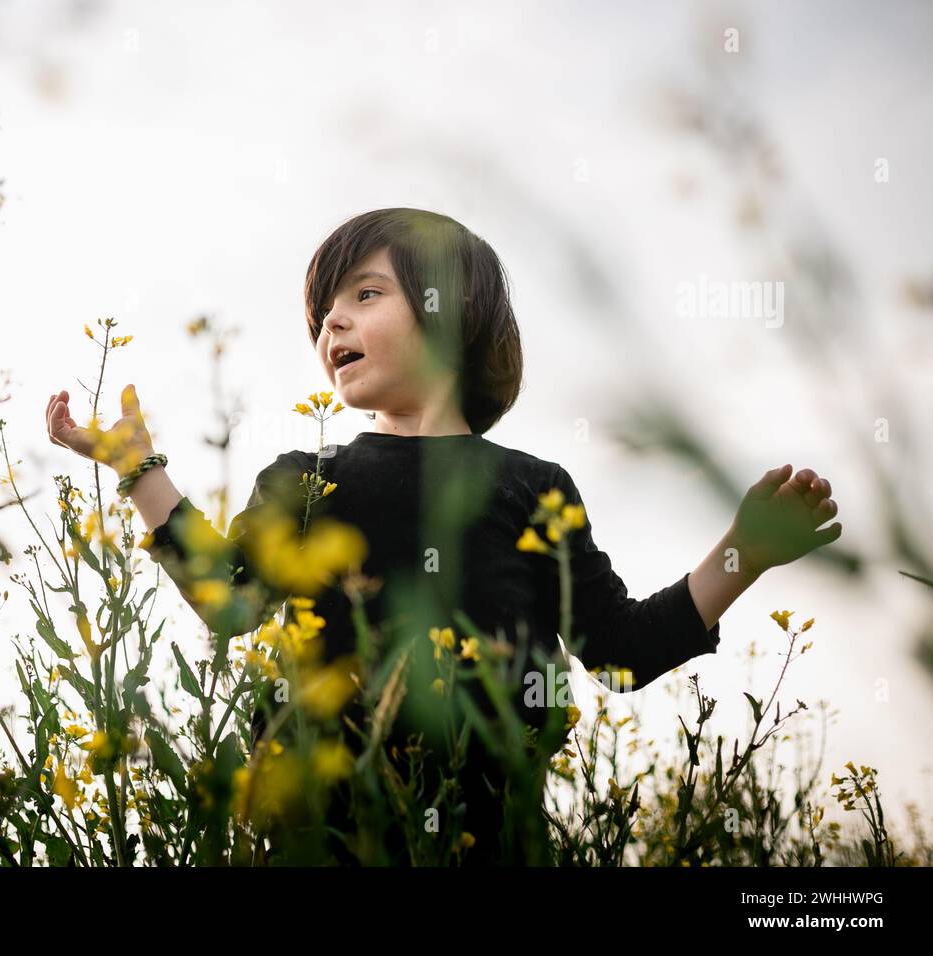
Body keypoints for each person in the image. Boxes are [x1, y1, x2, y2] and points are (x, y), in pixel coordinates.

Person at [44, 207, 843, 865]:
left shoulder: (533, 487)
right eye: (323, 315)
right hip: (318, 836)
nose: (332, 322)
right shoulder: (304, 478)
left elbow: (619, 652)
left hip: (488, 839)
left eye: (365, 294)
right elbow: (229, 602)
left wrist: (745, 554)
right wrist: (138, 469)